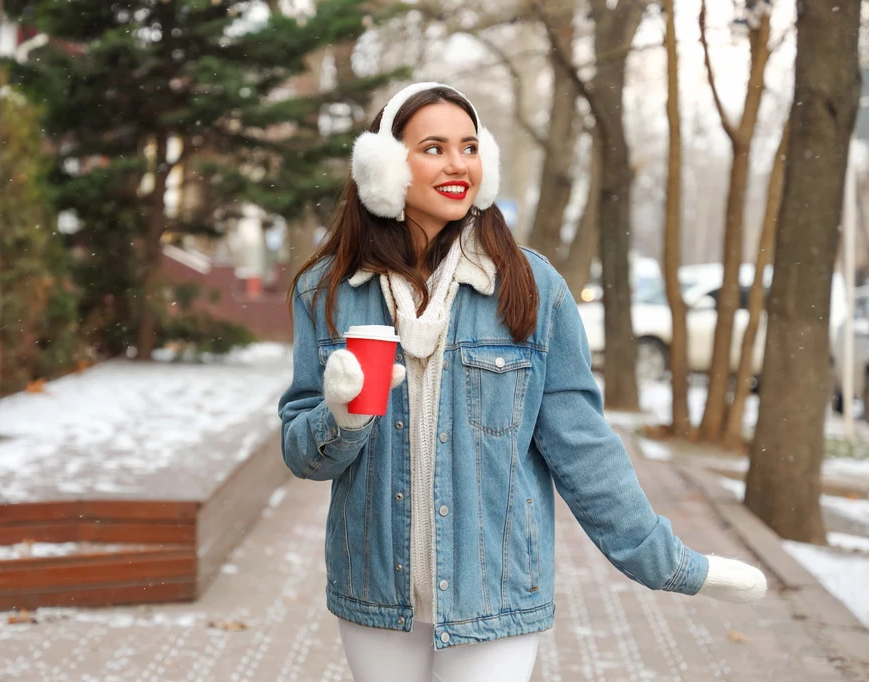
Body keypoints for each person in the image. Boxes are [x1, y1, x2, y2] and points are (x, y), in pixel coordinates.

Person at [278, 82, 766, 682]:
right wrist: (342, 418)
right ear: (382, 167)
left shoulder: (530, 288)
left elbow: (582, 447)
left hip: (498, 591)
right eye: (433, 147)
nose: (458, 164)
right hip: (374, 589)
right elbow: (303, 455)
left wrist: (670, 564)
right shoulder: (327, 292)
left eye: (470, 147)